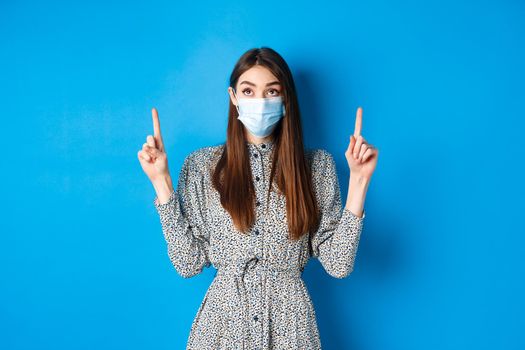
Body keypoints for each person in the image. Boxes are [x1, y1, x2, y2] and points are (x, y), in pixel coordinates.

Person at [137, 47, 379, 349]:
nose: (260, 102)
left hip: (291, 329)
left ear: (286, 98)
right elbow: (188, 263)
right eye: (248, 91)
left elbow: (338, 264)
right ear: (233, 96)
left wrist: (359, 181)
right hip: (222, 328)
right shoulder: (202, 167)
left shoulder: (317, 167)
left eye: (271, 91)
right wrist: (161, 182)